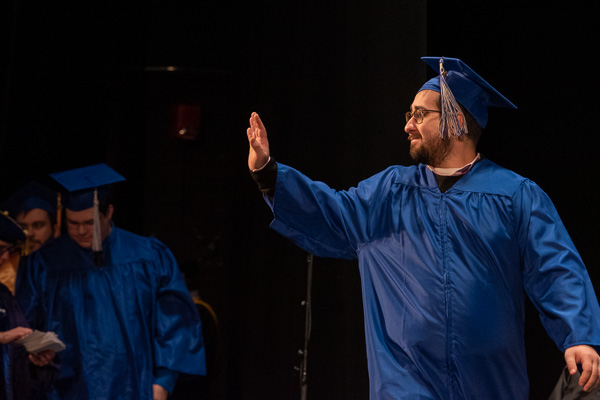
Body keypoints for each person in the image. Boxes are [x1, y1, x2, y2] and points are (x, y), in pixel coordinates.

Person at [246, 57, 600, 399]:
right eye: (408, 114)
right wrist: (268, 173)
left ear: (456, 120)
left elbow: (555, 266)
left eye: (420, 114)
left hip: (491, 382)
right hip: (406, 382)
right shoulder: (388, 194)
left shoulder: (513, 195)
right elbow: (330, 213)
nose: (408, 125)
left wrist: (578, 336)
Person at [17, 163, 206, 400]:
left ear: (109, 213)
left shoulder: (148, 255)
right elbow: (24, 324)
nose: (81, 231)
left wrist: (162, 383)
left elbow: (176, 323)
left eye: (89, 223)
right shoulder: (44, 263)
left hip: (135, 384)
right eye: (73, 223)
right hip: (66, 387)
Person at [1, 211, 58, 400]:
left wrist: (33, 355)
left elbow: (20, 338)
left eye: (8, 250)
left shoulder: (3, 296)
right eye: (0, 249)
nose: (6, 257)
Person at [0, 181, 59, 294]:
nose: (29, 233)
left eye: (38, 225)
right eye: (23, 227)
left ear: (55, 229)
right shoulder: (6, 270)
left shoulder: (67, 267)